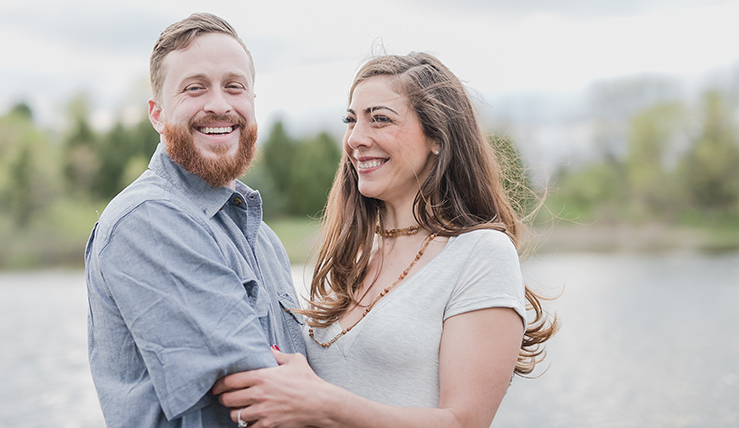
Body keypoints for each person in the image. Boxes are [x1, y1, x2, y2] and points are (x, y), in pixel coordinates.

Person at [214, 52, 558, 428]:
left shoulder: (482, 254)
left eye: (380, 119)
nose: (356, 139)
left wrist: (320, 402)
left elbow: (463, 422)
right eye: (352, 120)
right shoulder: (356, 258)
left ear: (437, 138)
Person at [85, 13, 307, 427]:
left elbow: (303, 380)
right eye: (195, 88)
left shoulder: (263, 238)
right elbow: (268, 399)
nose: (220, 105)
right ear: (157, 114)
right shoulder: (147, 220)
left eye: (234, 87)